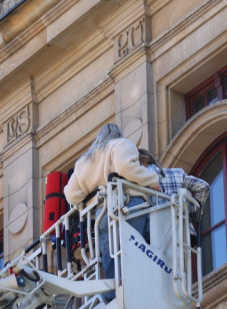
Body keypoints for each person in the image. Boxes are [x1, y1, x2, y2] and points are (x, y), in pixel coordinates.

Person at [64, 124, 161, 299]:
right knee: (137, 248)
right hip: (130, 205)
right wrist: (152, 180)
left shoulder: (84, 161)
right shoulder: (120, 145)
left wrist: (90, 200)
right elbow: (126, 168)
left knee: (111, 259)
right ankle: (139, 291)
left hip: (101, 215)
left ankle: (113, 297)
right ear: (117, 134)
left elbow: (71, 195)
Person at [137, 149, 209, 246]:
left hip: (155, 234)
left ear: (143, 162)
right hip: (183, 232)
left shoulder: (139, 177)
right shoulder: (177, 173)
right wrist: (190, 211)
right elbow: (203, 186)